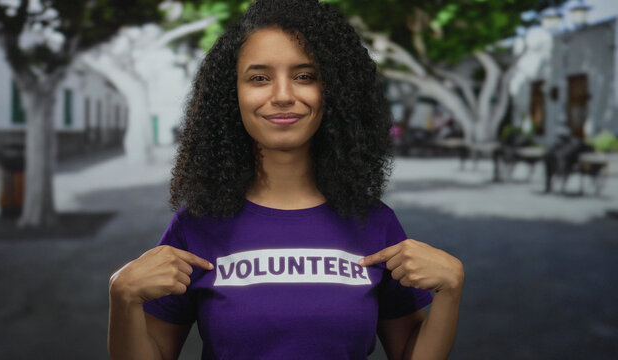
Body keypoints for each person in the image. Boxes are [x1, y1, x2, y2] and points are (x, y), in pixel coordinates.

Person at [108, 1, 464, 359]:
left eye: (305, 76)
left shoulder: (374, 222)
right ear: (232, 95)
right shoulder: (196, 225)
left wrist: (450, 290)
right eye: (259, 78)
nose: (282, 96)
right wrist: (123, 298)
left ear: (335, 93)